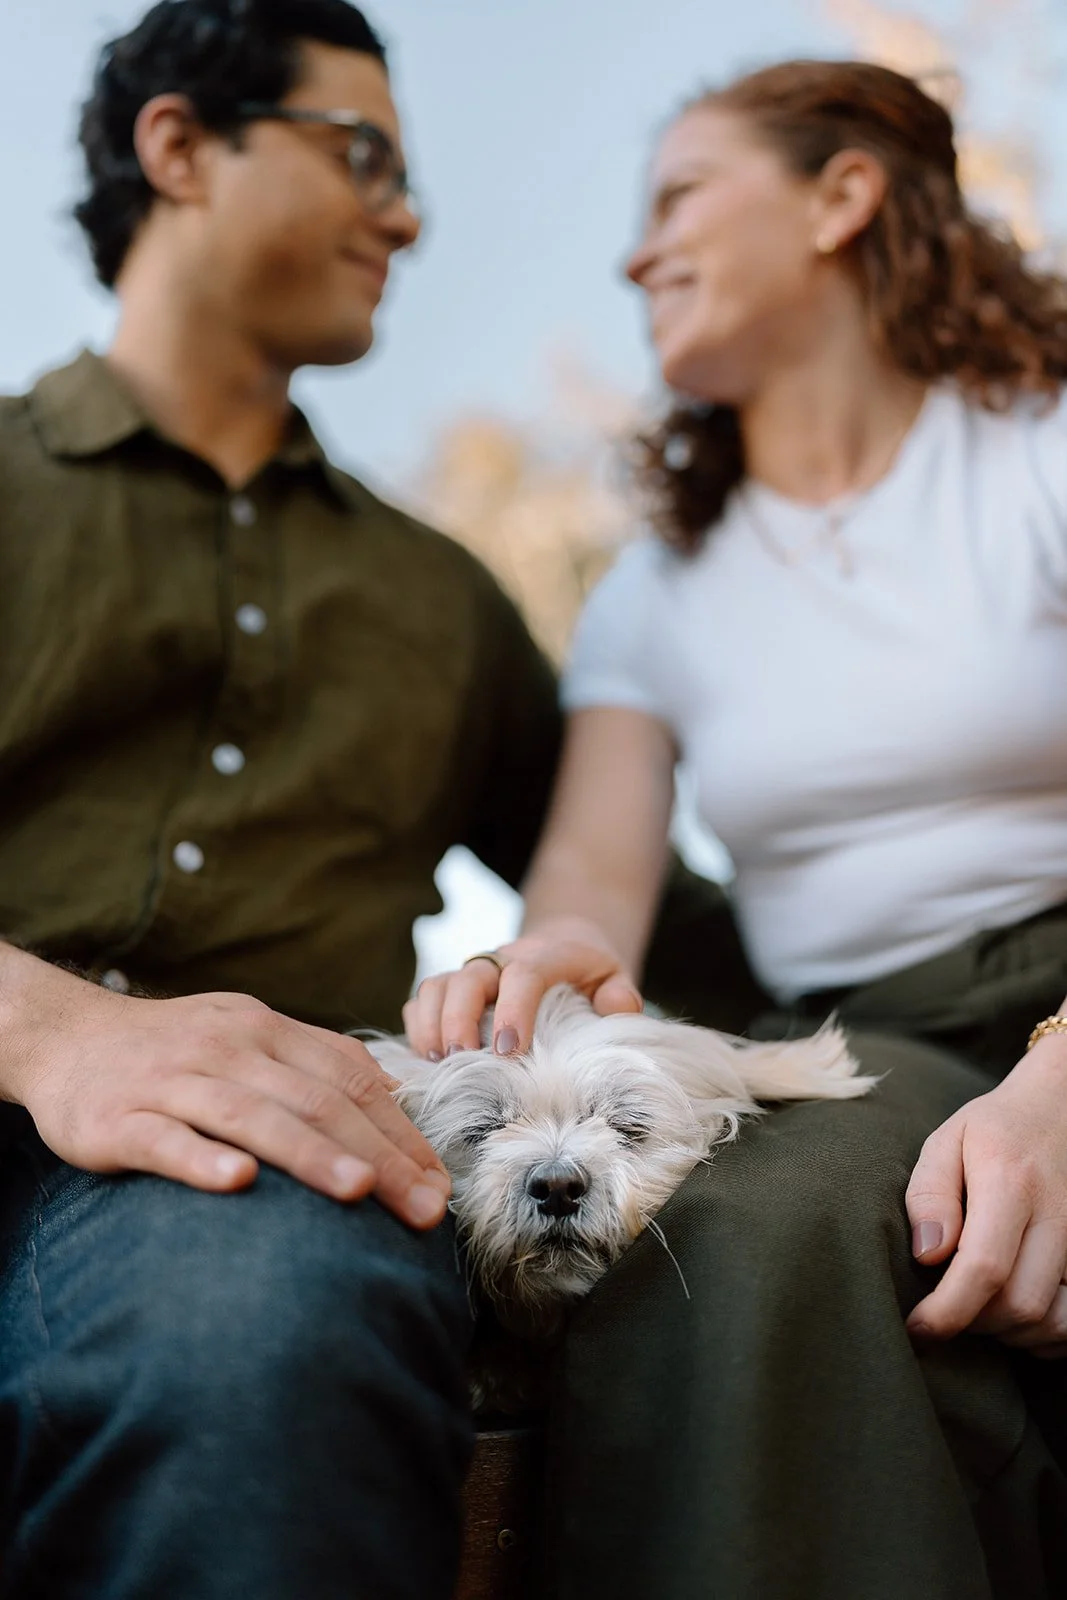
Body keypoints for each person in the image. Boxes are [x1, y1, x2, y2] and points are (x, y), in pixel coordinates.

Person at [0, 2, 726, 1595]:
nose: (406, 213)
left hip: (257, 1193)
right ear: (179, 147)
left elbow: (636, 920)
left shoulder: (445, 605)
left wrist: (1007, 1026)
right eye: (361, 157)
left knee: (261, 1341)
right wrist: (54, 1032)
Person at [407, 60, 1067, 1600]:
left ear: (841, 198)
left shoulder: (1037, 456)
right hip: (870, 1036)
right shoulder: (656, 593)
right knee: (730, 1239)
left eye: (678, 199)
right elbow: (586, 892)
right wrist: (543, 963)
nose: (636, 254)